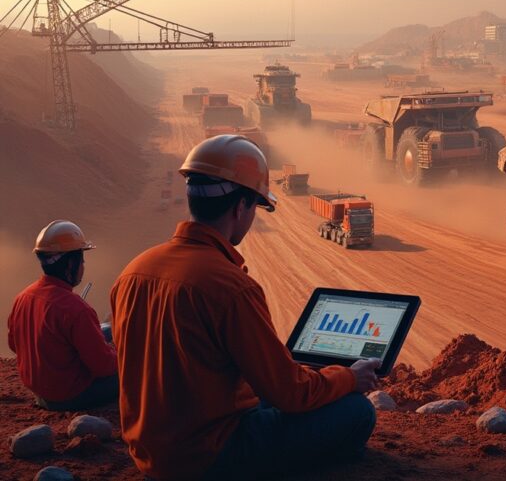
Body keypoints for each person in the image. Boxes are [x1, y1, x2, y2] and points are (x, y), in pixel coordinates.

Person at [110, 135, 378, 481]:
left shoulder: (133, 270)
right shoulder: (231, 287)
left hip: (150, 452)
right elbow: (291, 395)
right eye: (256, 207)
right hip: (209, 456)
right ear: (241, 207)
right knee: (356, 411)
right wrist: (349, 377)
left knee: (269, 395)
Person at [8, 220, 118, 411]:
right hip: (70, 396)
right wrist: (123, 354)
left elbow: (13, 344)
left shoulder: (23, 297)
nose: (83, 265)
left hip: (40, 393)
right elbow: (104, 367)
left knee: (105, 331)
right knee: (137, 370)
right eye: (81, 260)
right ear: (70, 264)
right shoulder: (76, 309)